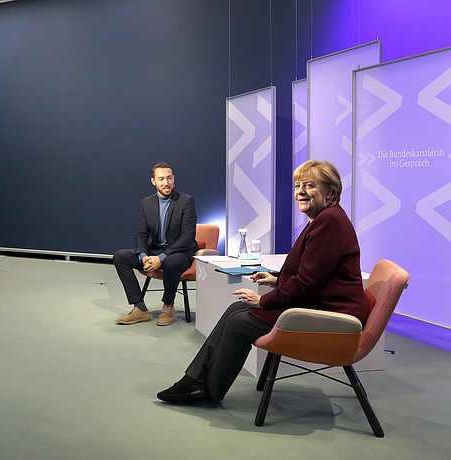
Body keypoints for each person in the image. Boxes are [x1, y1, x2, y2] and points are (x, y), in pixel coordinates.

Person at [156, 160, 369, 404]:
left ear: (330, 192)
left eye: (309, 185)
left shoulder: (329, 222)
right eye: (297, 185)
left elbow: (307, 284)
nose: (300, 191)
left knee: (240, 323)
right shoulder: (326, 218)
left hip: (329, 315)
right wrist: (276, 279)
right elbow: (315, 273)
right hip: (319, 304)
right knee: (237, 309)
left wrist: (264, 299)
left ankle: (208, 389)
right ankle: (195, 380)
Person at [112, 162, 198, 326]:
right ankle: (140, 308)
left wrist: (162, 258)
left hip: (180, 252)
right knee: (120, 256)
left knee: (171, 262)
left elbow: (188, 237)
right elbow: (141, 234)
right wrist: (144, 256)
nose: (166, 183)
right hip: (155, 250)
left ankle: (168, 306)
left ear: (174, 179)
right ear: (153, 181)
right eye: (161, 179)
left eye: (169, 178)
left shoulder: (186, 201)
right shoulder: (147, 202)